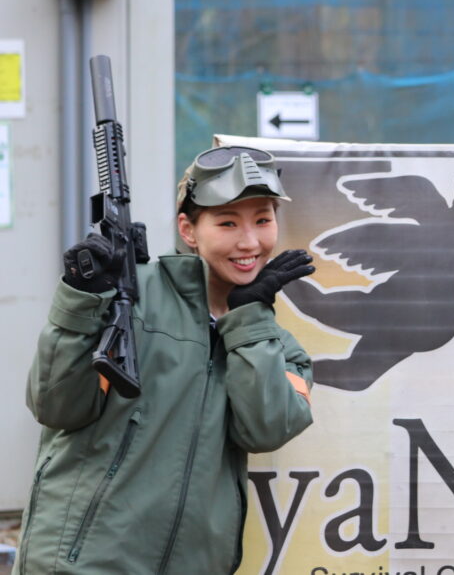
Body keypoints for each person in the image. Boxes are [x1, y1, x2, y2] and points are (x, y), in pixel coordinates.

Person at [15, 145, 316, 574]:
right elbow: (56, 405)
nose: (250, 242)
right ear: (188, 229)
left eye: (263, 220)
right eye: (227, 222)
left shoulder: (279, 348)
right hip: (81, 565)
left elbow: (264, 429)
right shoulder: (127, 298)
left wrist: (249, 318)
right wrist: (81, 300)